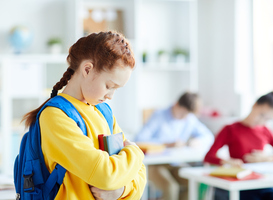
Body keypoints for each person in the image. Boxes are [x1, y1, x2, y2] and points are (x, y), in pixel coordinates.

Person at [22, 31, 146, 200]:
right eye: (109, 85)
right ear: (87, 69)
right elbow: (105, 174)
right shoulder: (55, 116)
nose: (111, 95)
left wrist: (121, 191)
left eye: (116, 89)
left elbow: (139, 173)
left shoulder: (103, 111)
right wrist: (136, 153)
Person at [135, 92, 214, 200]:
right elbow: (139, 140)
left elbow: (208, 136)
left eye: (186, 115)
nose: (183, 118)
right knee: (171, 188)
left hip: (174, 163)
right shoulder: (159, 115)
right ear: (176, 104)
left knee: (192, 183)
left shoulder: (189, 118)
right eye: (182, 114)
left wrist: (197, 141)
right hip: (154, 165)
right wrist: (166, 144)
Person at [204, 91, 273, 200]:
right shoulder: (230, 129)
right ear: (254, 105)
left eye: (267, 119)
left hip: (262, 182)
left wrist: (265, 158)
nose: (261, 121)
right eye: (261, 115)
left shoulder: (265, 130)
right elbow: (209, 156)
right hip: (243, 185)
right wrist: (227, 161)